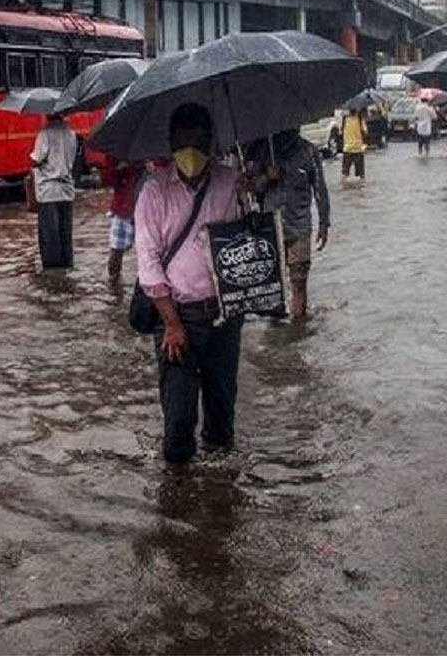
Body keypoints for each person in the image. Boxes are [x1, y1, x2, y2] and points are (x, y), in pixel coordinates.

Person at [134, 102, 244, 465]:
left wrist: (258, 189)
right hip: (178, 320)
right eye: (183, 140)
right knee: (178, 425)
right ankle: (178, 498)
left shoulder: (231, 182)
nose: (191, 149)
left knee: (222, 421)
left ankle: (219, 502)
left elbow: (245, 243)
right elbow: (148, 263)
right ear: (170, 143)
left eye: (199, 139)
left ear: (212, 142)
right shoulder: (153, 193)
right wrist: (171, 324)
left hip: (224, 319)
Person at [249, 128, 330, 320]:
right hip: (271, 227)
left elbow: (320, 188)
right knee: (273, 284)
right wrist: (267, 177)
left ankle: (298, 328)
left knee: (299, 280)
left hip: (300, 226)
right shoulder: (263, 151)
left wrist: (324, 222)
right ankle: (277, 326)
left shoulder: (309, 151)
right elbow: (251, 189)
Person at [30, 115, 77, 269]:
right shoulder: (71, 133)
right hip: (67, 190)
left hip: (48, 192)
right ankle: (67, 266)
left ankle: (52, 273)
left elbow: (36, 159)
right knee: (65, 234)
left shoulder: (45, 134)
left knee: (50, 236)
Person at [104, 156, 141, 284]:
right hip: (123, 207)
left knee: (150, 251)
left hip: (148, 207)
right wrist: (119, 169)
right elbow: (106, 179)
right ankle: (114, 281)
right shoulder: (117, 153)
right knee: (116, 249)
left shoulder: (154, 151)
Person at [340, 108, 368, 185]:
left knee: (344, 173)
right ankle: (361, 188)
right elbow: (365, 131)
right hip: (358, 149)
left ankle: (344, 187)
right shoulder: (359, 118)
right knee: (361, 175)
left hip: (347, 148)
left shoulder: (344, 119)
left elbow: (340, 131)